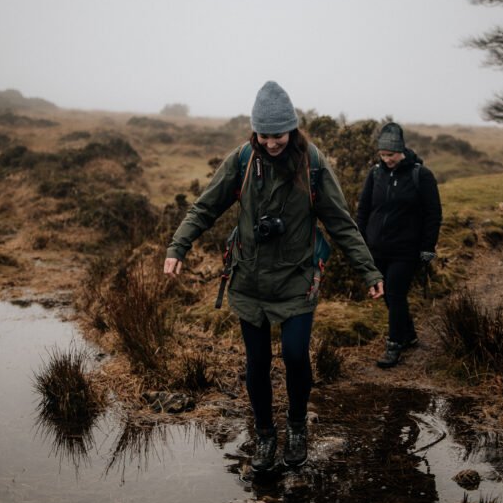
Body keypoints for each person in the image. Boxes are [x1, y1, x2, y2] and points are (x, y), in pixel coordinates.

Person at [164, 80, 384, 472]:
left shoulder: (312, 163)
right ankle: (265, 436)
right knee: (257, 363)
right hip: (249, 281)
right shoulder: (243, 159)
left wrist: (368, 270)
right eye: (263, 135)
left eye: (278, 134)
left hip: (297, 280)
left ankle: (297, 427)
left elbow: (341, 222)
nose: (271, 143)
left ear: (293, 129)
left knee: (297, 357)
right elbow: (204, 207)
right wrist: (177, 247)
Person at [355, 122, 442, 368]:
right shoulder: (375, 174)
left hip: (407, 249)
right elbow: (363, 210)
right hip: (377, 248)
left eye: (390, 155)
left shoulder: (420, 175)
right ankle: (409, 335)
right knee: (389, 296)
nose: (386, 159)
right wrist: (359, 241)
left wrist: (428, 247)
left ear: (401, 151)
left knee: (394, 292)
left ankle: (394, 345)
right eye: (382, 155)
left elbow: (433, 214)